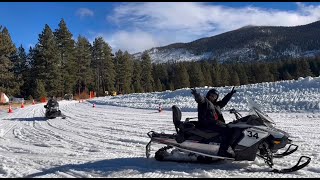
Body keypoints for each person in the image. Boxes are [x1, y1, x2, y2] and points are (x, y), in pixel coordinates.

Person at [191, 87, 237, 158]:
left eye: (215, 96)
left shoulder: (216, 105)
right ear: (208, 95)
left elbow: (224, 101)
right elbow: (200, 99)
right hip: (207, 124)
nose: (212, 97)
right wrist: (196, 95)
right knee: (227, 131)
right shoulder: (205, 102)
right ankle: (222, 151)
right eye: (211, 95)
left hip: (214, 123)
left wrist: (230, 94)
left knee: (232, 127)